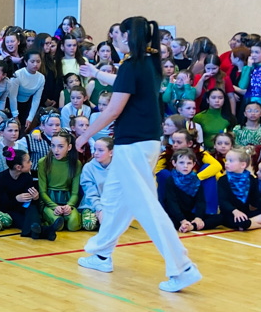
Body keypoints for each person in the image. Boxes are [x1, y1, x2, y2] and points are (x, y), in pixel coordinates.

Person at [75, 16, 200, 292]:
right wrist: (96, 73)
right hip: (143, 143)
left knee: (146, 206)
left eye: (117, 34)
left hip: (134, 145)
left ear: (128, 37)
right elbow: (122, 81)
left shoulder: (133, 65)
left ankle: (182, 268)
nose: (114, 38)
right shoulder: (148, 62)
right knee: (114, 199)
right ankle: (101, 254)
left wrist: (84, 135)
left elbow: (113, 109)